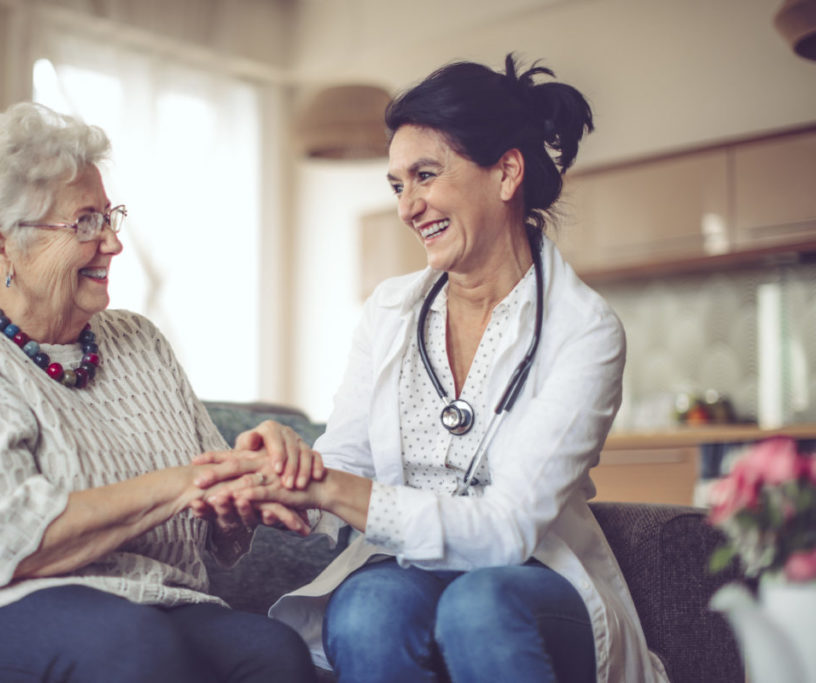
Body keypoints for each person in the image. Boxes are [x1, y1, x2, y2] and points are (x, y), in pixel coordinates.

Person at [196, 55, 669, 682]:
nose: (408, 206)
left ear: (505, 173)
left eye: (425, 175)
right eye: (397, 185)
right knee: (365, 609)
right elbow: (344, 469)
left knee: (480, 605)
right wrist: (283, 472)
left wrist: (333, 490)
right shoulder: (392, 310)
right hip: (407, 568)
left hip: (534, 578)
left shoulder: (584, 331)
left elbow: (507, 531)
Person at [0, 102, 320, 683]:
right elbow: (3, 545)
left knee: (271, 653)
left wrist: (249, 483)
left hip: (139, 600)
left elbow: (208, 510)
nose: (113, 243)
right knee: (125, 645)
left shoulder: (138, 341)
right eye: (85, 223)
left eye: (111, 217)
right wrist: (185, 483)